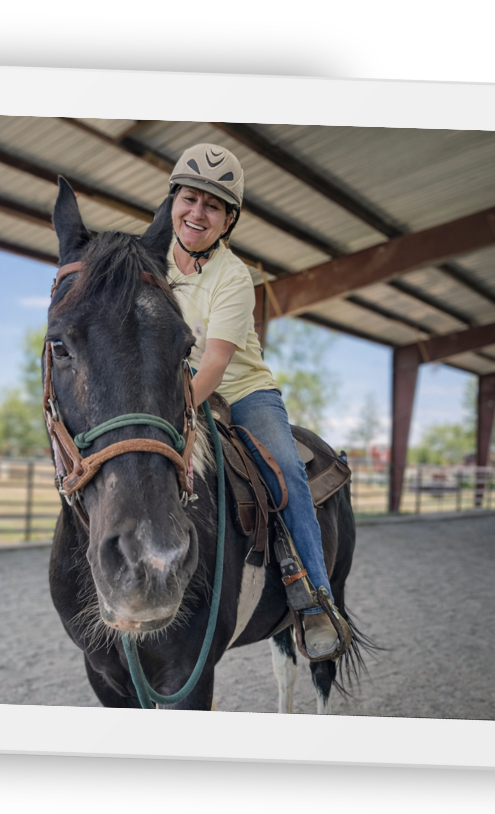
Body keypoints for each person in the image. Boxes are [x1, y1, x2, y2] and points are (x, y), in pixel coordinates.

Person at [163, 143, 342, 660]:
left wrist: (172, 414)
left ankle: (315, 601)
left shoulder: (233, 277)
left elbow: (215, 365)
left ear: (228, 220)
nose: (198, 212)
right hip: (172, 385)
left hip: (241, 391)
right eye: (190, 198)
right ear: (173, 201)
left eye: (213, 206)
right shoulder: (150, 263)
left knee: (285, 473)